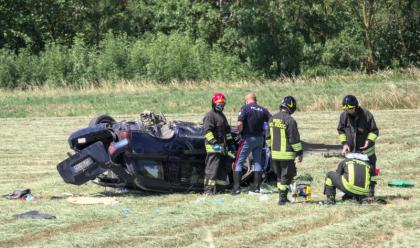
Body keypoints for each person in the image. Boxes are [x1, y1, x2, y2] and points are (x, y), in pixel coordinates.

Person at [338, 95, 379, 197]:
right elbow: (341, 131)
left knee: (371, 171)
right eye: (345, 109)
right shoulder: (343, 116)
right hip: (352, 151)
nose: (348, 111)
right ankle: (351, 192)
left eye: (350, 109)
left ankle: (370, 192)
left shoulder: (366, 115)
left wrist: (368, 141)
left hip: (367, 151)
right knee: (352, 171)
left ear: (356, 106)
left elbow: (374, 131)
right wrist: (345, 144)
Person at [232, 93, 271, 195]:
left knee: (238, 162)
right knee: (257, 162)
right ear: (255, 99)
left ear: (247, 100)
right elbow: (271, 121)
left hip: (248, 138)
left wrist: (239, 132)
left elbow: (239, 123)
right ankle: (257, 188)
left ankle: (236, 189)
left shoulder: (245, 108)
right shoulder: (263, 109)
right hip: (260, 139)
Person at [267, 96, 303, 205]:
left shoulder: (272, 118)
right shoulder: (289, 120)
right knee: (286, 177)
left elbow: (267, 137)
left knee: (279, 176)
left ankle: (282, 196)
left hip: (275, 154)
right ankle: (282, 199)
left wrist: (270, 149)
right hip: (286, 155)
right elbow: (294, 140)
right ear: (291, 107)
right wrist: (299, 153)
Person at [203, 92, 236, 195]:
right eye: (219, 103)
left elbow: (227, 133)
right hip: (214, 148)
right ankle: (208, 191)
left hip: (223, 148)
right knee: (211, 170)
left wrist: (231, 144)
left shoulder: (222, 116)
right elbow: (207, 132)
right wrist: (214, 143)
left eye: (222, 104)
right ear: (213, 103)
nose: (221, 105)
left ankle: (220, 190)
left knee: (222, 170)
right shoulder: (210, 116)